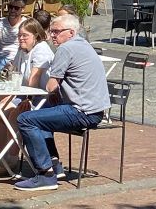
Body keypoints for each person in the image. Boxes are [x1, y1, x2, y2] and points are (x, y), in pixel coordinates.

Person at [14, 14, 110, 191]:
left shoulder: (66, 49)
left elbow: (51, 86)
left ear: (71, 32)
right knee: (41, 114)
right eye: (51, 32)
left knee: (26, 119)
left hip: (81, 112)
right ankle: (54, 165)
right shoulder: (85, 45)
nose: (52, 36)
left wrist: (52, 90)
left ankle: (45, 174)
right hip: (94, 111)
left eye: (57, 32)